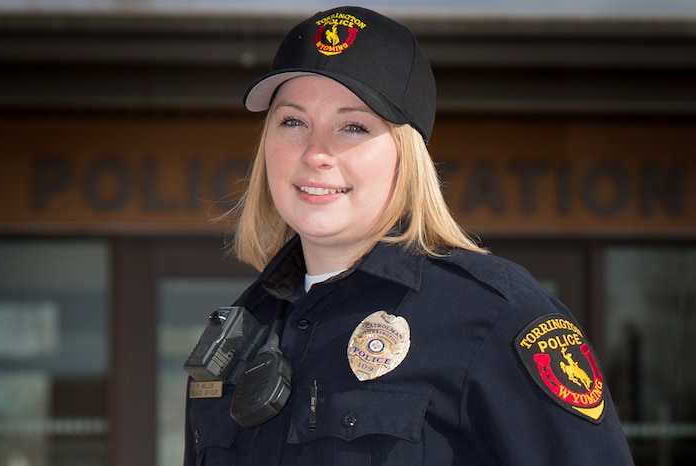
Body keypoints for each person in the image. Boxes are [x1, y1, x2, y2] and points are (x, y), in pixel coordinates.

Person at [183, 6, 635, 465]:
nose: (316, 152)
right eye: (293, 122)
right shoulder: (242, 332)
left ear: (406, 153)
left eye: (354, 126)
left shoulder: (495, 315)